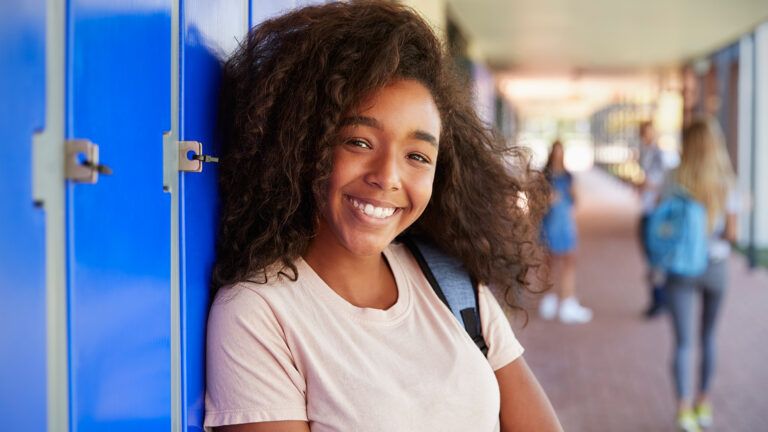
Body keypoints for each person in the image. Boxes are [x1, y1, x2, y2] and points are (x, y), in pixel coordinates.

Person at [204, 2, 562, 431]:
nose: (387, 177)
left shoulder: (452, 282)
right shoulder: (259, 314)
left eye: (417, 155)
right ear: (304, 143)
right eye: (359, 142)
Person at [663, 118, 739, 432]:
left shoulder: (674, 177)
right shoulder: (726, 180)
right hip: (716, 268)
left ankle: (683, 410)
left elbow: (663, 223)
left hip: (680, 268)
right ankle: (703, 404)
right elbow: (732, 233)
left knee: (683, 343)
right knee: (708, 338)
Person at [537, 140, 592, 324]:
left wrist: (571, 194)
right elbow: (536, 201)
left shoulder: (568, 177)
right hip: (550, 224)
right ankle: (551, 298)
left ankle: (566, 299)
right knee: (550, 263)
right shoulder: (544, 177)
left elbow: (576, 201)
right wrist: (547, 199)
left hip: (565, 224)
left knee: (569, 261)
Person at [637, 121, 668, 317]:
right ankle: (658, 296)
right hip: (647, 209)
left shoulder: (659, 155)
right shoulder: (645, 153)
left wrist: (648, 186)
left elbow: (659, 182)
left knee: (654, 257)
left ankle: (660, 298)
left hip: (655, 212)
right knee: (650, 257)